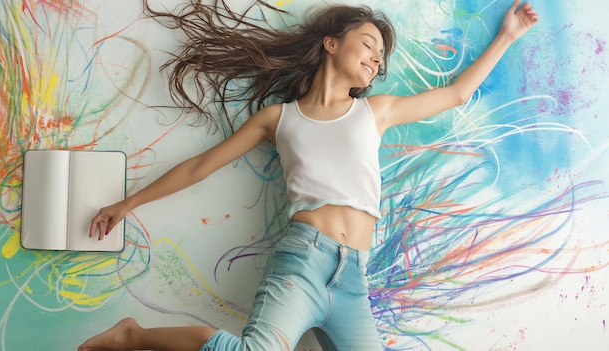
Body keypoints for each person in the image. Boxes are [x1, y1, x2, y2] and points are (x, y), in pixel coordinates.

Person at [78, 1, 539, 350]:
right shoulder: (279, 119)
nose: (377, 59)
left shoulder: (374, 112)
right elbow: (201, 166)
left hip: (355, 274)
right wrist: (127, 203)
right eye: (369, 45)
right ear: (331, 43)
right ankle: (132, 336)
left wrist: (508, 35)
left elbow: (457, 93)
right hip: (303, 262)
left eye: (381, 57)